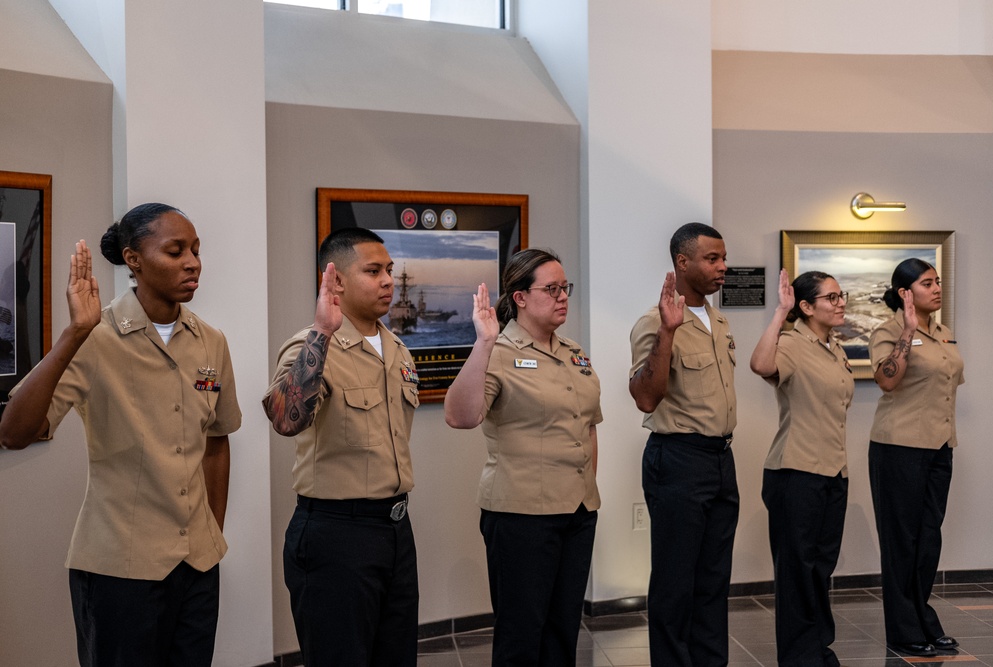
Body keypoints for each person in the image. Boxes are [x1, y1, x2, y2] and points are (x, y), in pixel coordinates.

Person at [0, 203, 242, 667]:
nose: (193, 262)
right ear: (134, 260)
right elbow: (14, 432)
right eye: (175, 251)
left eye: (195, 250)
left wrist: (212, 532)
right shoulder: (96, 337)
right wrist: (73, 333)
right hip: (119, 569)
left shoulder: (212, 341)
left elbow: (217, 440)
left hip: (197, 566)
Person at [263, 228, 420, 667]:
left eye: (389, 269)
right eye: (373, 271)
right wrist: (321, 333)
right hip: (336, 535)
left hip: (394, 530)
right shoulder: (311, 344)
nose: (388, 280)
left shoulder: (398, 350)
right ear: (335, 280)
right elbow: (283, 419)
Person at [444, 248, 602, 666]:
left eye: (564, 287)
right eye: (551, 289)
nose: (562, 296)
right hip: (521, 516)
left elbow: (588, 427)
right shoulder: (498, 350)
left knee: (562, 629)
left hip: (577, 510)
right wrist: (483, 342)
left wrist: (586, 493)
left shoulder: (574, 352)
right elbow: (460, 416)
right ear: (520, 297)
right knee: (521, 634)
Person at [628, 222, 738, 667]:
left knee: (714, 580)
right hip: (677, 460)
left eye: (723, 258)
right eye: (712, 259)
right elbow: (644, 397)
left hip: (719, 459)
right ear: (682, 262)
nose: (723, 267)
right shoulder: (654, 323)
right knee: (676, 584)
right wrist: (669, 333)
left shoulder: (720, 320)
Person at [749, 269, 854, 666]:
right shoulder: (792, 342)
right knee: (797, 570)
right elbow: (760, 365)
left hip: (833, 471)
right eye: (831, 297)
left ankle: (817, 646)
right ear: (806, 306)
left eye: (841, 295)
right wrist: (780, 313)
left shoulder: (834, 347)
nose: (840, 301)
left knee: (820, 567)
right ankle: (798, 656)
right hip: (796, 471)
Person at [868, 258, 964, 658]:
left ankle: (922, 618)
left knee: (928, 540)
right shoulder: (888, 331)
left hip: (940, 447)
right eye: (927, 283)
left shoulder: (943, 332)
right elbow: (887, 380)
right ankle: (903, 630)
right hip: (899, 448)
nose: (937, 288)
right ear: (905, 293)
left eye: (938, 281)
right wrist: (908, 331)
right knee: (901, 542)